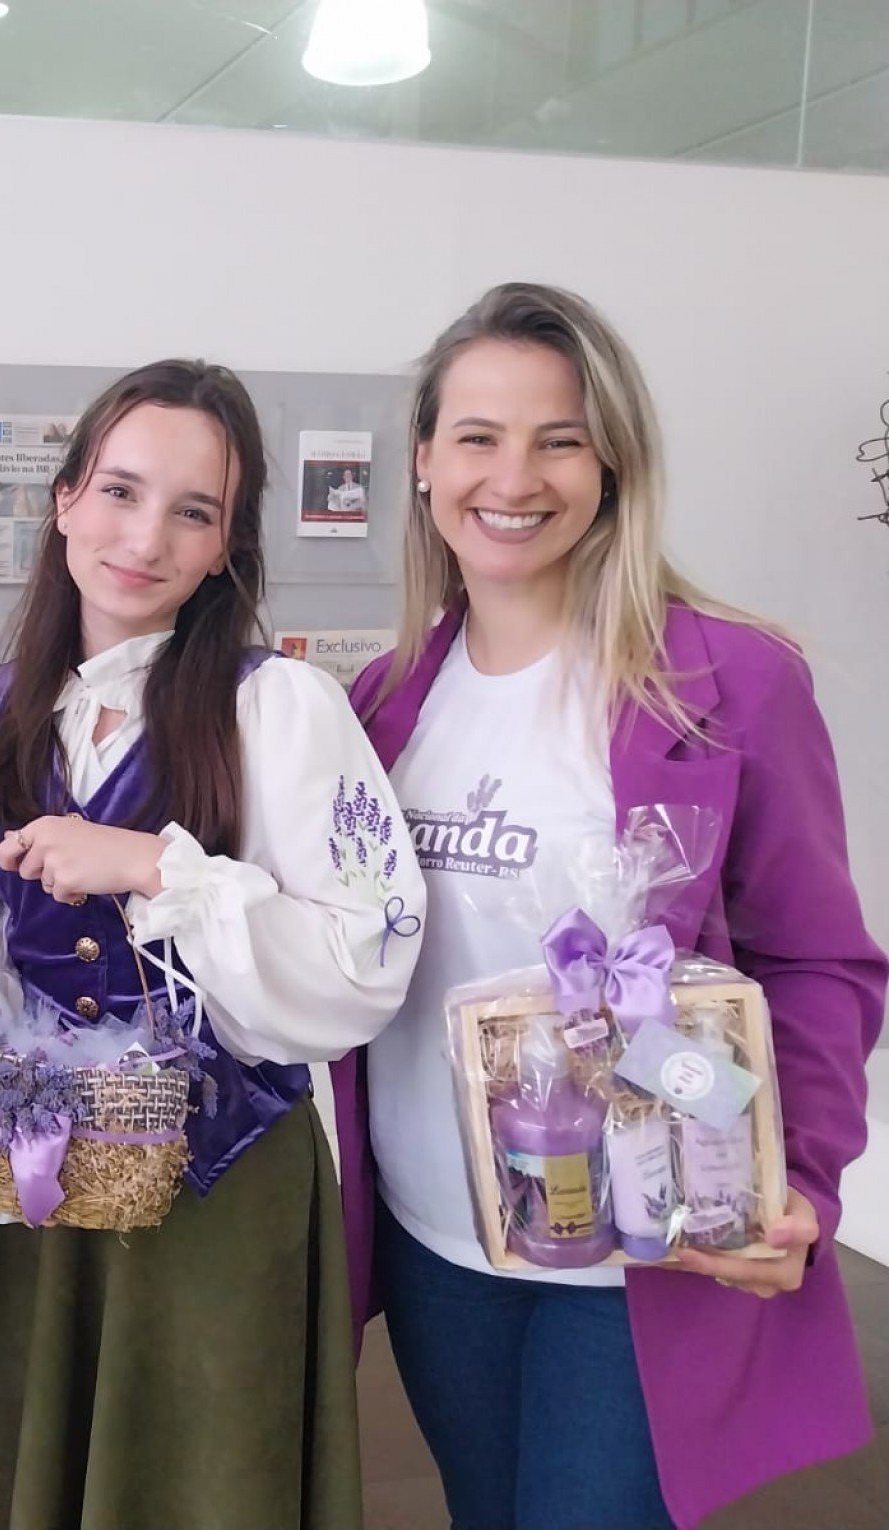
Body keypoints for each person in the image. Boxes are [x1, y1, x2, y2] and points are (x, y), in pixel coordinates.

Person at [334, 281, 886, 1529]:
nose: (512, 475)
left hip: (649, 1251)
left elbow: (821, 963)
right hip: (442, 1246)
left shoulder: (730, 679)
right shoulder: (384, 702)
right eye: (478, 436)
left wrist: (799, 1177)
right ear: (425, 461)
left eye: (559, 438)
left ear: (613, 463)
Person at [0, 358, 426, 1529]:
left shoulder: (280, 709)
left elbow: (367, 955)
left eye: (192, 511)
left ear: (225, 546)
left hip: (222, 1187)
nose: (144, 537)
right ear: (63, 501)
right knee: (29, 1465)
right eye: (120, 492)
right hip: (40, 1178)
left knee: (207, 1481)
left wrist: (158, 867)